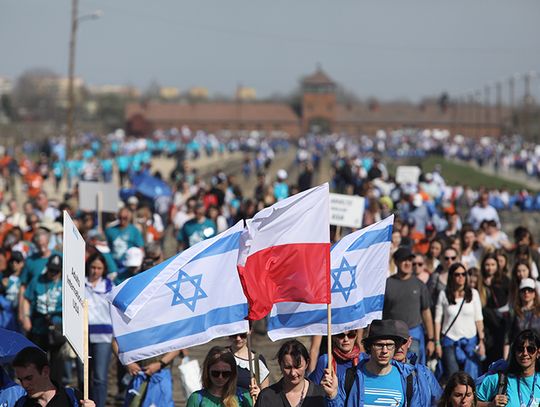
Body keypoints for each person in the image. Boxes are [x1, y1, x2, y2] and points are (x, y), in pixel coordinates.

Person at [323, 319, 435, 406]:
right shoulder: (350, 377)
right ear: (369, 347)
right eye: (379, 345)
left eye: (389, 345)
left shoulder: (408, 378)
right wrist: (332, 396)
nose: (385, 351)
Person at [383, 247, 435, 365]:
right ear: (396, 262)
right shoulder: (387, 284)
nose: (407, 263)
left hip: (414, 335)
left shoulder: (419, 285)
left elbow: (426, 313)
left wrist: (431, 340)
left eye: (409, 260)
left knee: (413, 369)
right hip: (391, 337)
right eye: (403, 260)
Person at [434, 263, 485, 380]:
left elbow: (479, 319)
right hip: (450, 342)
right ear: (451, 276)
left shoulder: (473, 293)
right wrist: (437, 343)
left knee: (471, 378)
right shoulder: (443, 294)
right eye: (457, 274)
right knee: (453, 378)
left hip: (470, 342)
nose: (461, 277)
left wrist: (481, 341)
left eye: (463, 274)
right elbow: (437, 320)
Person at [19, 254, 65, 384]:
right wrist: (25, 317)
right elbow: (27, 299)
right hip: (39, 325)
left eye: (56, 271)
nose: (53, 273)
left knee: (57, 364)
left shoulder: (65, 283)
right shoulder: (37, 280)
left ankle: (56, 389)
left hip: (57, 326)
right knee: (37, 362)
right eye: (51, 270)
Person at [12, 347, 95, 406]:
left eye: (29, 378)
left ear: (45, 372)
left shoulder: (72, 398)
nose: (25, 385)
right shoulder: (21, 404)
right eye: (21, 380)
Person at [476, 329, 540, 407]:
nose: (525, 353)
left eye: (530, 349)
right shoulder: (498, 380)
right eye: (520, 349)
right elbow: (471, 403)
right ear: (514, 352)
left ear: (538, 353)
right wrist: (490, 404)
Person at [255, 340, 325, 407]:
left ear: (307, 363)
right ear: (280, 364)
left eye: (297, 367)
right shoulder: (267, 397)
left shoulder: (320, 395)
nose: (293, 373)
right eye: (288, 367)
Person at [84, 253, 114, 407]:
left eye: (99, 268)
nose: (95, 271)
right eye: (93, 267)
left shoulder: (109, 286)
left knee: (100, 377)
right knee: (84, 377)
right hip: (82, 335)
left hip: (103, 336)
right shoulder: (79, 284)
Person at [187, 346, 253, 407]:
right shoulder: (196, 398)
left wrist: (259, 398)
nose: (220, 377)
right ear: (207, 371)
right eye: (215, 373)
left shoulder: (243, 396)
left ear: (232, 373)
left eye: (225, 373)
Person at [309, 330, 362, 399]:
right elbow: (313, 392)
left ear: (356, 336)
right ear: (333, 337)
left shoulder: (363, 360)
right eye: (341, 335)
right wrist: (322, 388)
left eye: (351, 335)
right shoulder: (325, 360)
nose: (346, 339)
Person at [504, 278, 540, 359]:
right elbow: (507, 339)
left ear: (534, 293)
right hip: (519, 354)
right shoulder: (513, 312)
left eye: (529, 290)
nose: (526, 292)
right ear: (519, 293)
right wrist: (505, 361)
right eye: (524, 290)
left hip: (537, 354)